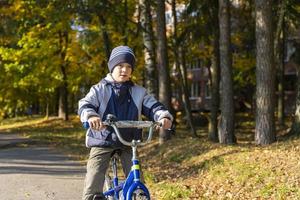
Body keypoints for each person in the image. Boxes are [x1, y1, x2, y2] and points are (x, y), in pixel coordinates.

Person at [78, 45, 173, 200]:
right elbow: (85, 104)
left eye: (129, 66)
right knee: (95, 171)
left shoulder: (138, 92)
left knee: (136, 174)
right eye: (120, 65)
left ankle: (137, 194)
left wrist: (164, 117)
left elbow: (153, 106)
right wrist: (91, 117)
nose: (124, 70)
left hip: (128, 140)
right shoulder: (100, 89)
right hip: (103, 138)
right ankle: (92, 196)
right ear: (112, 67)